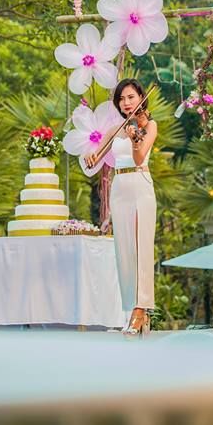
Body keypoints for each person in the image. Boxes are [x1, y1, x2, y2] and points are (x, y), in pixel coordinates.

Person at [84, 79, 157, 338]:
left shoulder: (149, 126)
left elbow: (138, 158)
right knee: (124, 250)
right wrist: (91, 157)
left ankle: (142, 308)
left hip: (140, 185)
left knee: (141, 249)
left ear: (140, 98)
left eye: (130, 97)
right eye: (121, 100)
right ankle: (132, 309)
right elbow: (93, 161)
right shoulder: (116, 129)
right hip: (120, 188)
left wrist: (136, 138)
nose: (126, 103)